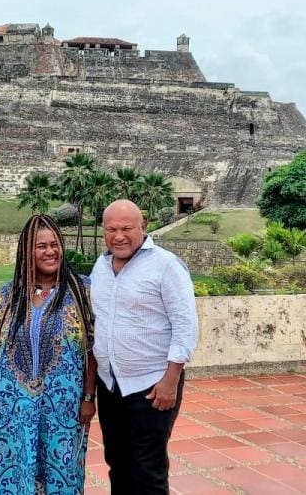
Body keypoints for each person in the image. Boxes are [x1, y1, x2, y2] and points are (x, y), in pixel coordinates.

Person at [0, 214, 97, 494]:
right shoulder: (6, 297)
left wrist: (88, 397)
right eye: (41, 246)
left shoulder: (82, 292)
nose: (50, 251)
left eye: (55, 244)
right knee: (15, 472)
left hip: (64, 410)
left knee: (63, 472)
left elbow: (92, 350)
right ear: (27, 251)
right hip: (13, 410)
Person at [92, 199, 199, 494]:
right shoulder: (100, 266)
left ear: (144, 227)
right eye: (111, 229)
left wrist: (170, 381)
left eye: (127, 228)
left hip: (152, 387)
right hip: (111, 386)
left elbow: (185, 326)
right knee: (117, 462)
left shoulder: (166, 266)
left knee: (148, 469)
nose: (119, 236)